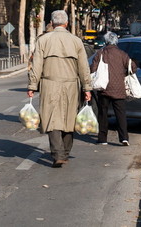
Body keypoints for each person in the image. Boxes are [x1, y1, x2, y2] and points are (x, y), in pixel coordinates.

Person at [27, 10, 92, 168]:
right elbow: (84, 67)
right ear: (67, 23)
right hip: (71, 85)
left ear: (52, 22)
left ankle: (58, 153)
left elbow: (36, 66)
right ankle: (65, 152)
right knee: (69, 118)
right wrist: (87, 88)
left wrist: (32, 86)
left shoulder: (43, 40)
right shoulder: (76, 41)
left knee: (51, 118)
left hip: (49, 84)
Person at [90, 31, 136, 146]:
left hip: (103, 88)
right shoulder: (122, 54)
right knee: (120, 114)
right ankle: (124, 138)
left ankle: (102, 138)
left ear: (106, 41)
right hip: (119, 88)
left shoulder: (100, 53)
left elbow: (93, 69)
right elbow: (133, 67)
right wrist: (122, 73)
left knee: (103, 113)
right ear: (116, 41)